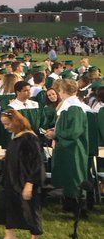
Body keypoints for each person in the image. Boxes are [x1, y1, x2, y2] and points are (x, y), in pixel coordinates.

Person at [0, 109, 46, 239]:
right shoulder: (16, 136)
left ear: (16, 121)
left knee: (30, 210)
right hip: (11, 180)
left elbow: (37, 162)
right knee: (5, 205)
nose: (6, 127)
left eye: (8, 124)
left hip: (25, 180)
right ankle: (10, 236)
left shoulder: (29, 138)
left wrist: (30, 184)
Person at [43, 78, 89, 209]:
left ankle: (77, 206)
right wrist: (55, 129)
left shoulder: (74, 107)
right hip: (67, 147)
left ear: (62, 91)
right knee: (68, 175)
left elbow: (74, 131)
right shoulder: (68, 105)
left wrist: (56, 134)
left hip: (73, 148)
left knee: (74, 176)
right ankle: (68, 203)